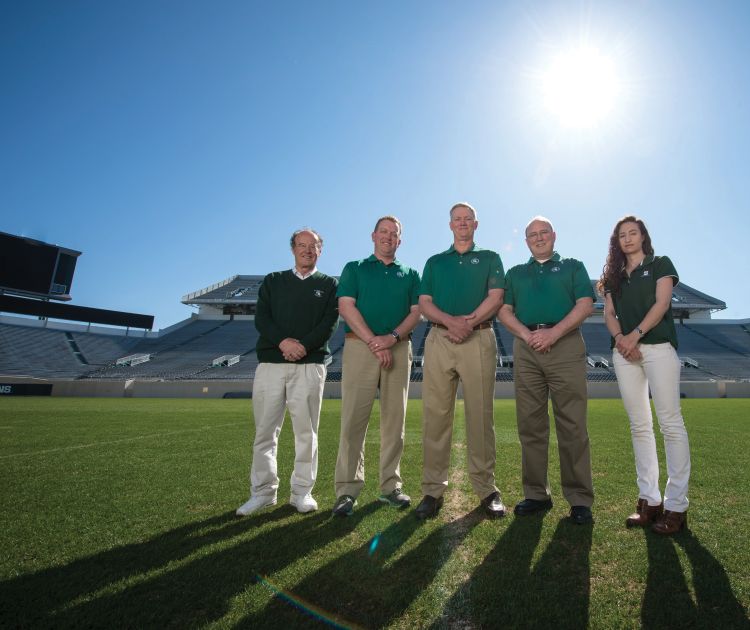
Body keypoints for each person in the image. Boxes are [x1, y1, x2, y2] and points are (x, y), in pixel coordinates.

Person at [498, 216, 595, 525]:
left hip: (564, 344)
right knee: (530, 424)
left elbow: (585, 304)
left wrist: (554, 334)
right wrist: (527, 336)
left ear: (554, 235)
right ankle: (536, 494)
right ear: (526, 241)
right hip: (526, 348)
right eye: (531, 235)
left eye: (543, 233)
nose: (538, 238)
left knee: (572, 424)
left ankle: (579, 498)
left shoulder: (573, 266)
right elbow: (503, 310)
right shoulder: (515, 273)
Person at [236, 228, 339, 516]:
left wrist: (303, 346)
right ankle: (263, 493)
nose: (307, 250)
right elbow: (262, 318)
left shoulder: (329, 284)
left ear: (321, 250)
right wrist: (283, 342)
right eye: (302, 245)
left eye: (313, 245)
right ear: (293, 249)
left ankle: (301, 493)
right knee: (265, 433)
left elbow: (330, 322)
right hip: (271, 364)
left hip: (309, 365)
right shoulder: (273, 281)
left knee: (307, 434)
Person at [599, 216, 691, 535]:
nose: (627, 239)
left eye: (632, 233)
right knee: (640, 425)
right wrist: (623, 342)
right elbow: (609, 314)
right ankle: (650, 501)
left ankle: (676, 506)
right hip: (624, 354)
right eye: (621, 235)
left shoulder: (660, 263)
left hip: (657, 348)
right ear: (617, 241)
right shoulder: (612, 276)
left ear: (642, 236)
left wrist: (634, 336)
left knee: (670, 424)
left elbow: (662, 303)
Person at [415, 202, 506, 520]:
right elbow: (424, 302)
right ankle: (432, 490)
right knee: (436, 415)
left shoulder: (491, 258)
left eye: (468, 219)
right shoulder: (435, 261)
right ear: (450, 225)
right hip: (440, 338)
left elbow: (496, 297)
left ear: (476, 225)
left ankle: (486, 488)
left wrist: (467, 322)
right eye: (457, 219)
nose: (463, 223)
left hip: (478, 336)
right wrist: (451, 323)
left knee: (480, 415)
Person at [332, 216, 422, 516]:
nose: (388, 237)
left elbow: (416, 313)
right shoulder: (355, 268)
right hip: (360, 348)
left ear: (400, 240)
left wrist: (392, 338)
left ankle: (390, 487)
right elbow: (346, 306)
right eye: (383, 232)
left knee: (394, 423)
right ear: (373, 236)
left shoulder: (410, 273)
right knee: (353, 421)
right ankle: (347, 490)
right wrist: (375, 341)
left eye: (394, 233)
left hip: (399, 347)